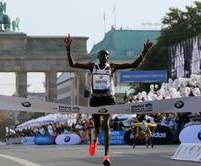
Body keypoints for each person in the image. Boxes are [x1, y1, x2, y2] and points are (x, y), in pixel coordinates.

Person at [64, 34, 153, 166]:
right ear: (98, 56)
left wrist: (144, 51)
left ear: (108, 57)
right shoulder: (91, 67)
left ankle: (106, 157)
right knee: (98, 128)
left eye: (107, 55)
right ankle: (94, 140)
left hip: (109, 100)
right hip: (95, 100)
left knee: (106, 125)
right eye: (102, 54)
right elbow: (73, 64)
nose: (105, 56)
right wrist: (68, 48)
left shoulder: (112, 67)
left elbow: (134, 64)